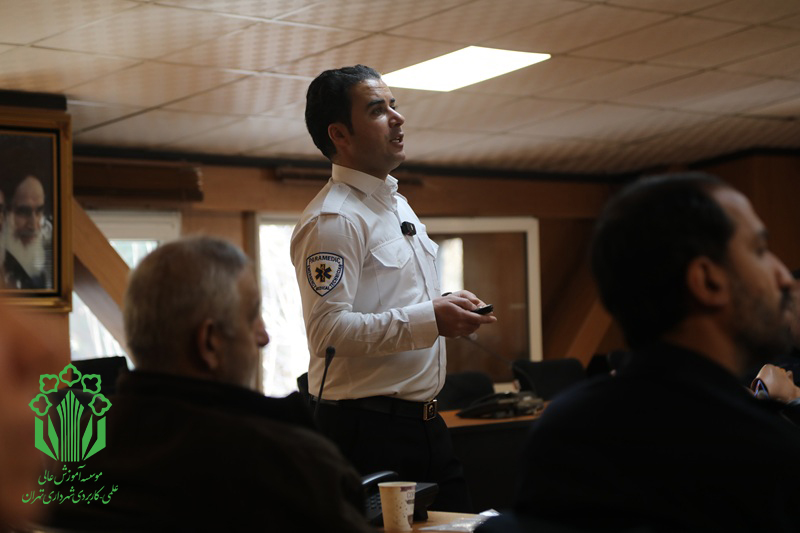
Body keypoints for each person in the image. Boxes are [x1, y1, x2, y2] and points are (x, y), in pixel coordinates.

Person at [502, 173, 800, 532]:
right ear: (707, 281)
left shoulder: (560, 431)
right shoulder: (765, 453)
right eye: (759, 250)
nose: (784, 277)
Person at [48, 236, 373, 532]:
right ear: (209, 343)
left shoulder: (62, 450)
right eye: (253, 317)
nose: (264, 336)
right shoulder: (291, 467)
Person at [291, 64, 496, 512]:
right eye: (378, 110)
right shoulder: (335, 219)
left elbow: (398, 306)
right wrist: (430, 319)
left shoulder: (396, 204)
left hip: (426, 424)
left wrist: (440, 306)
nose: (397, 119)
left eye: (394, 106)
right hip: (367, 432)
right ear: (340, 135)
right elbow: (327, 333)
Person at [3, 175, 52, 290]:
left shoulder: (44, 273)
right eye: (24, 212)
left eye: (39, 211)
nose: (34, 225)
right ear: (5, 215)